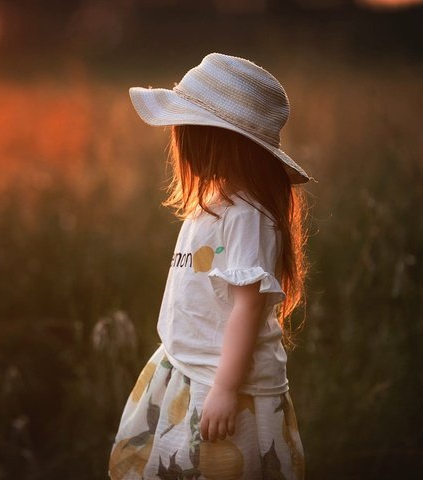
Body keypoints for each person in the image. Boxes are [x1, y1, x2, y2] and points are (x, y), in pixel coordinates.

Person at [108, 53, 315, 480]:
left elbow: (247, 307)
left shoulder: (247, 215)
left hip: (221, 382)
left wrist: (224, 389)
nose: (177, 141)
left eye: (184, 131)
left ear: (213, 140)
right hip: (185, 365)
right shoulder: (214, 205)